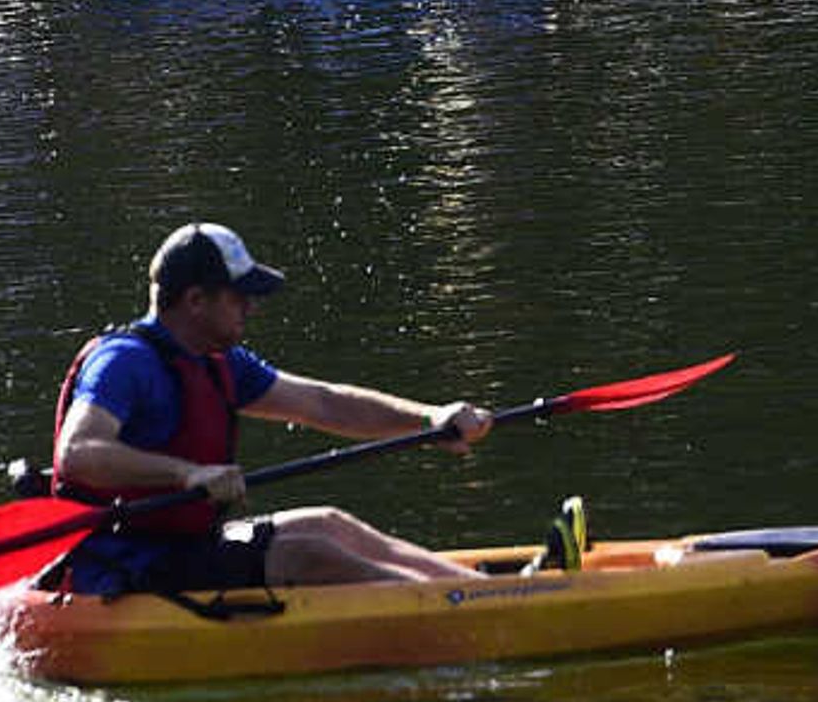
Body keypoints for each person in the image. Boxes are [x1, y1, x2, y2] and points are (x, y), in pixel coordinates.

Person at [42, 222, 503, 598]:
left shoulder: (218, 361)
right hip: (123, 563)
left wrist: (430, 418)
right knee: (307, 555)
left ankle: (483, 591)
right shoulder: (124, 362)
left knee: (328, 523)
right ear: (195, 300)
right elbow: (78, 452)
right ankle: (468, 610)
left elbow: (324, 402)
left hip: (183, 548)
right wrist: (189, 475)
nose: (250, 307)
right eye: (237, 295)